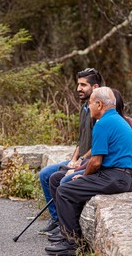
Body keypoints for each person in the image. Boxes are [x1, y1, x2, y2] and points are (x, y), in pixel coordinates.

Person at [45, 87, 132, 256]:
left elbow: (95, 162)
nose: (88, 107)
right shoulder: (116, 119)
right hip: (124, 176)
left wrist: (83, 175)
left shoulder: (103, 124)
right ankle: (70, 237)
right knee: (68, 186)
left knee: (65, 190)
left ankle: (71, 244)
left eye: (90, 103)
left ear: (99, 104)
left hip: (116, 176)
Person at [38, 68, 104, 235]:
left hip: (89, 161)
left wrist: (81, 159)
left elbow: (98, 145)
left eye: (83, 85)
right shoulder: (84, 108)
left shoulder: (100, 112)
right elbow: (81, 139)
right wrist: (74, 158)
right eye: (78, 84)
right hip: (80, 159)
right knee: (45, 174)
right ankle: (57, 219)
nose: (78, 89)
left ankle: (65, 226)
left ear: (95, 87)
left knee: (59, 179)